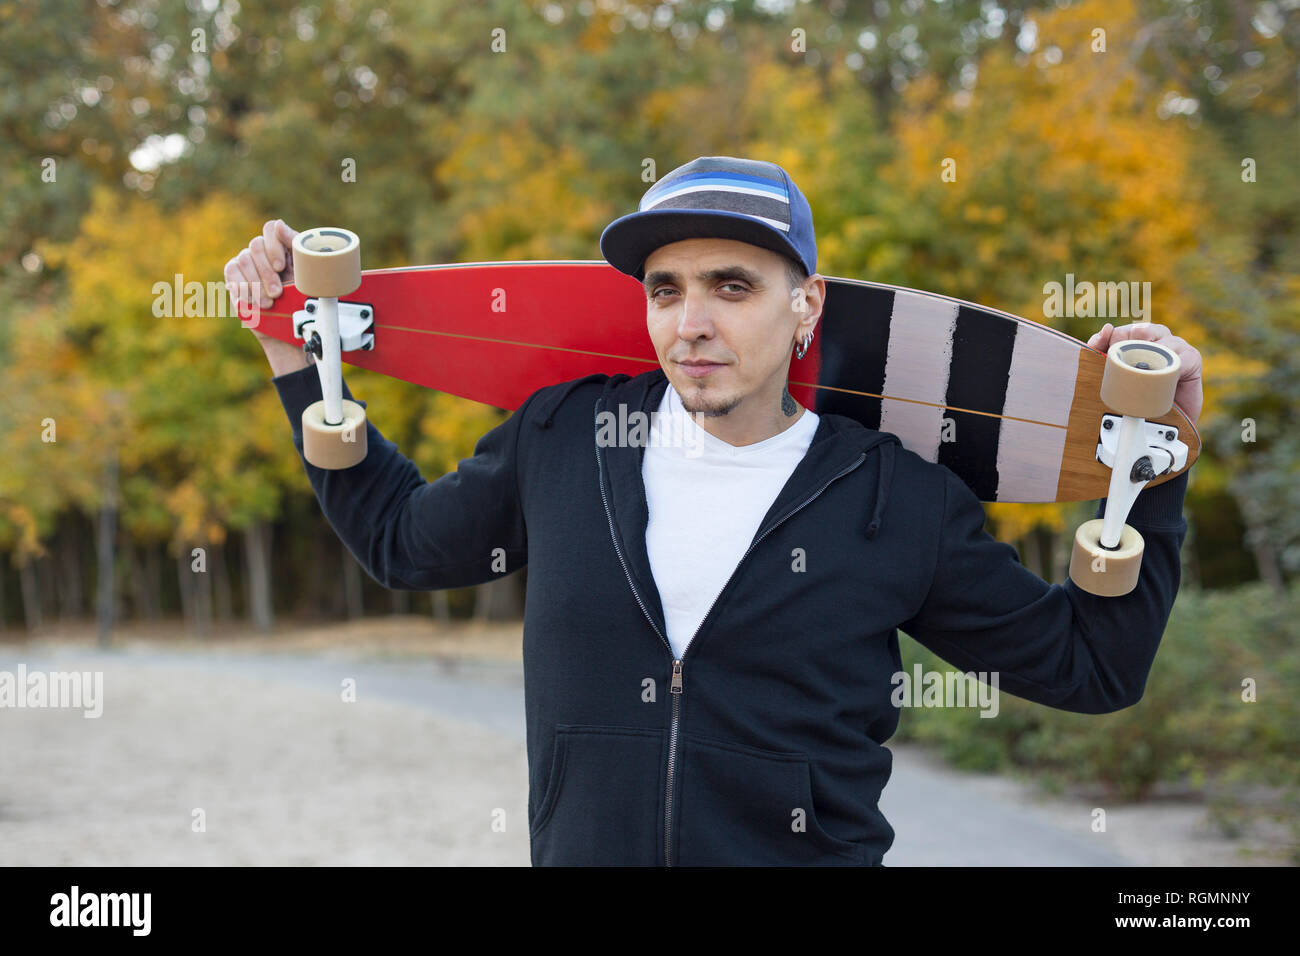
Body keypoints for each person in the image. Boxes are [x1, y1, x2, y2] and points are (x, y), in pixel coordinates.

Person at [224, 156, 1203, 866]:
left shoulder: (891, 497)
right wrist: (295, 354)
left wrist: (1149, 477)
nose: (690, 322)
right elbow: (402, 541)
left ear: (806, 306)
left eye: (731, 286)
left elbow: (1091, 667)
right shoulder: (564, 436)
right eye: (666, 290)